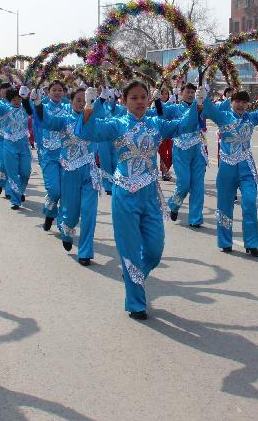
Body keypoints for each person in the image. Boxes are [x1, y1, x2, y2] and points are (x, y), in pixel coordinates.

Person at [77, 80, 202, 319]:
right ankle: (136, 302)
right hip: (125, 193)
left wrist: (198, 104)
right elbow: (88, 132)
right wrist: (90, 106)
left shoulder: (155, 123)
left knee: (155, 249)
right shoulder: (115, 124)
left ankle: (135, 274)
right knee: (130, 248)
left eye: (143, 97)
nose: (139, 102)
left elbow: (182, 127)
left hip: (150, 194)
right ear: (123, 101)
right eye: (133, 98)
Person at [202, 89, 258, 256]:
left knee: (249, 202)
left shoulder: (252, 118)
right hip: (227, 167)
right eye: (237, 101)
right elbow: (208, 109)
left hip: (247, 168)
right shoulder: (223, 117)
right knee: (224, 205)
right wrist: (204, 92)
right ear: (231, 102)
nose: (241, 105)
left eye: (244, 102)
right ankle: (225, 241)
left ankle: (251, 243)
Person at [36, 86, 99, 264]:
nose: (81, 103)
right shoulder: (63, 120)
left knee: (89, 213)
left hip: (90, 173)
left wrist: (98, 102)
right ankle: (66, 230)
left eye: (84, 100)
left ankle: (85, 251)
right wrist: (37, 103)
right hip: (69, 173)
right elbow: (46, 121)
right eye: (77, 100)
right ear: (70, 102)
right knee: (70, 214)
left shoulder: (95, 120)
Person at [162, 83, 208, 228]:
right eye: (187, 92)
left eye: (192, 92)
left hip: (198, 150)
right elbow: (158, 111)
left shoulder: (201, 106)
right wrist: (156, 99)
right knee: (183, 184)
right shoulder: (175, 109)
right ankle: (173, 205)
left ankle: (195, 218)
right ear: (181, 93)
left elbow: (219, 112)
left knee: (198, 186)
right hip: (181, 150)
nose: (190, 94)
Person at [31, 81, 71, 231]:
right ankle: (49, 214)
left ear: (64, 92)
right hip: (49, 155)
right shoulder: (44, 107)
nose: (57, 92)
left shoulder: (68, 107)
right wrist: (36, 101)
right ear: (48, 92)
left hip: (68, 155)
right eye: (54, 90)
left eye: (60, 90)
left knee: (66, 193)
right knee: (54, 190)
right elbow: (39, 115)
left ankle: (63, 225)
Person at [0, 85, 33, 209]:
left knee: (25, 172)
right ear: (9, 100)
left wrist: (29, 96)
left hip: (23, 145)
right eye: (14, 99)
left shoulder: (26, 108)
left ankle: (19, 190)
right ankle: (15, 200)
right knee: (11, 173)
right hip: (9, 145)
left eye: (19, 98)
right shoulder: (5, 109)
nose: (17, 101)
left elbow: (38, 106)